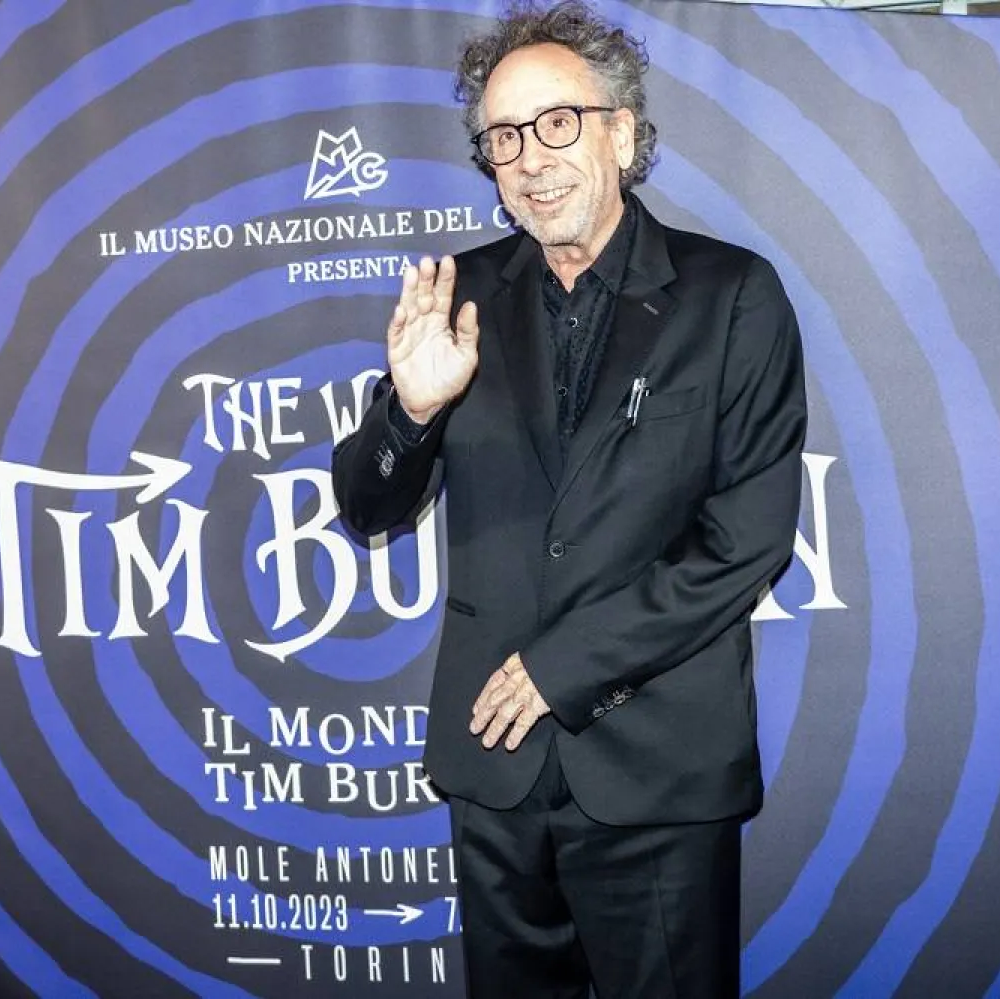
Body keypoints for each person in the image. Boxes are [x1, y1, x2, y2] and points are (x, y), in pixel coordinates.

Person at [330, 2, 806, 996]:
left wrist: (560, 669)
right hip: (494, 779)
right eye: (502, 138)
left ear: (622, 135)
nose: (530, 159)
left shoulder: (732, 297)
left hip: (658, 771)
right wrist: (411, 414)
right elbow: (367, 508)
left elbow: (745, 545)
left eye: (557, 124)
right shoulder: (457, 293)